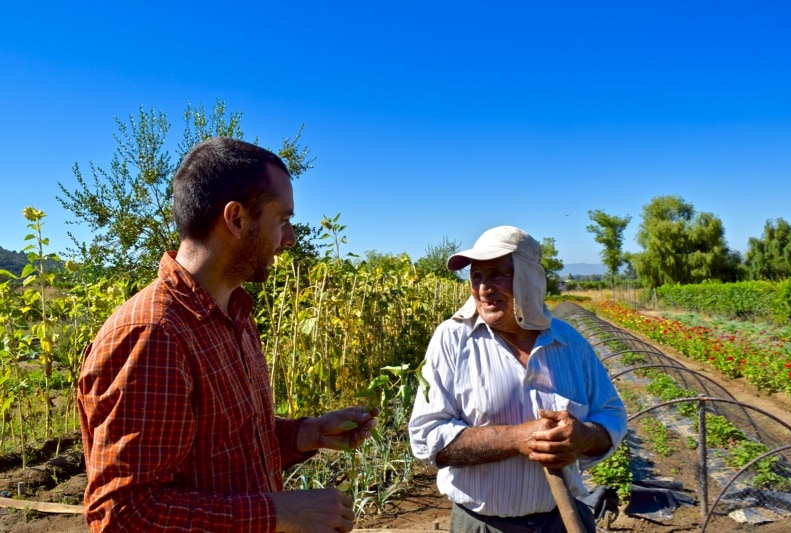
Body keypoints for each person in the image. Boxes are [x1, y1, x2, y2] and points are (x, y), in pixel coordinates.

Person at [78, 137, 378, 533]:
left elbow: (226, 445)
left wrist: (306, 433)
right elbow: (124, 514)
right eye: (282, 221)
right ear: (236, 218)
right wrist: (279, 513)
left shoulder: (234, 314)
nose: (288, 240)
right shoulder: (152, 335)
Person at [408, 226, 627, 532]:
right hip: (484, 526)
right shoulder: (452, 340)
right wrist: (518, 438)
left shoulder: (570, 343)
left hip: (563, 520)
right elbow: (427, 437)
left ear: (528, 280)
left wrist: (585, 437)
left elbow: (612, 414)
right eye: (476, 277)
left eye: (497, 274)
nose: (483, 288)